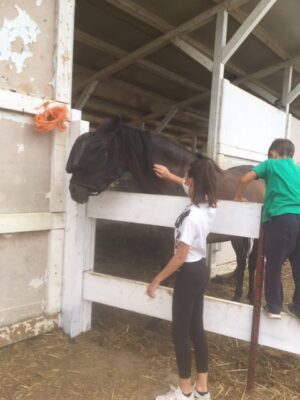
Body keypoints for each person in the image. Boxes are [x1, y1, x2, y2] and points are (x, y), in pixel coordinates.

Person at [146, 157, 220, 400]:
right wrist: (171, 176)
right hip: (201, 270)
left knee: (179, 332)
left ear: (196, 181)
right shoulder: (210, 205)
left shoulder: (191, 217)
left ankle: (184, 393)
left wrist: (157, 280)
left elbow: (180, 257)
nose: (185, 181)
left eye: (188, 177)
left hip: (187, 272)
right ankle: (202, 389)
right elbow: (190, 187)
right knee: (196, 328)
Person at [234, 138, 300, 320]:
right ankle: (299, 307)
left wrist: (238, 197)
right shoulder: (297, 169)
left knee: (274, 263)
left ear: (272, 153)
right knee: (298, 265)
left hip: (281, 219)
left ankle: (273, 306)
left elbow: (244, 178)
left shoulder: (271, 164)